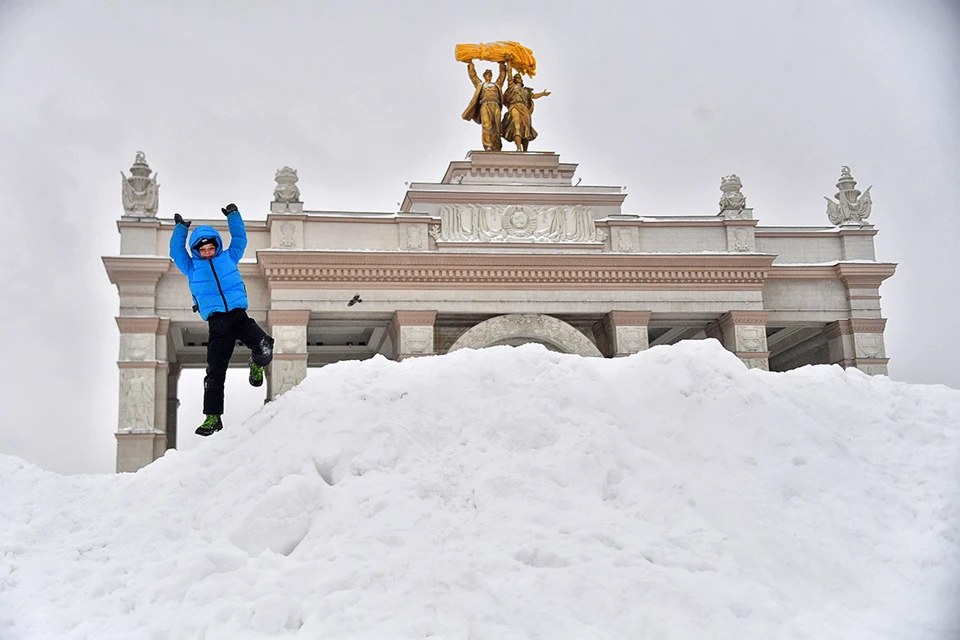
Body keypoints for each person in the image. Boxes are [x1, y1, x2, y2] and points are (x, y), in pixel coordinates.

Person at [169, 203, 274, 436]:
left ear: (217, 246)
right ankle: (212, 417)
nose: (207, 252)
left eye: (210, 248)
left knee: (265, 344)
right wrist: (180, 229)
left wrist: (234, 216)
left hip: (239, 316)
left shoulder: (228, 257)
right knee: (215, 371)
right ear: (197, 251)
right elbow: (176, 253)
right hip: (217, 322)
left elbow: (240, 239)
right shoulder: (191, 266)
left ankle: (256, 364)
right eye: (203, 249)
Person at [462, 60, 507, 151]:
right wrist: (470, 64)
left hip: (495, 105)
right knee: (487, 125)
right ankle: (488, 145)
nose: (488, 76)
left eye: (490, 74)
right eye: (487, 74)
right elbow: (473, 76)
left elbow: (502, 76)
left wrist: (502, 64)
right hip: (485, 105)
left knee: (496, 125)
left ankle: (497, 145)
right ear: (484, 76)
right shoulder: (481, 85)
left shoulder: (496, 85)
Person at [501, 73, 551, 152]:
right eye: (516, 77)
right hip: (514, 106)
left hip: (524, 109)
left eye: (519, 77)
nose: (518, 78)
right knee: (516, 124)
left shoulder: (526, 90)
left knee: (526, 128)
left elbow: (533, 96)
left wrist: (543, 94)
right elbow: (504, 98)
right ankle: (518, 148)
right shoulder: (511, 88)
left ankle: (525, 150)